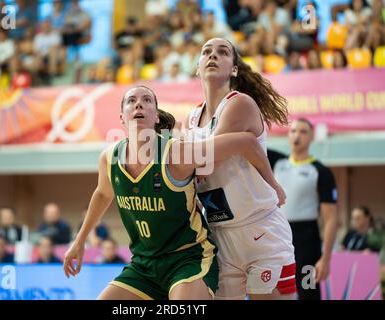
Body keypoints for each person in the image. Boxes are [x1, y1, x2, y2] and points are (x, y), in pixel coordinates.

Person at [64, 85, 281, 300]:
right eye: (131, 100)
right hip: (144, 264)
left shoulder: (176, 153)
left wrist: (274, 186)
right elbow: (103, 194)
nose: (138, 103)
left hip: (188, 258)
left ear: (156, 117)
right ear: (122, 117)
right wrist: (79, 240)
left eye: (147, 100)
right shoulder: (109, 158)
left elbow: (245, 141)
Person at [186, 37, 295, 300]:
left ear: (234, 69)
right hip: (220, 234)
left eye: (222, 52)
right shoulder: (191, 117)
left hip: (260, 229)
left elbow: (203, 162)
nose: (212, 56)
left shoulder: (239, 103)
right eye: (206, 52)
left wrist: (178, 157)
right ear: (197, 66)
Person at [268, 118, 338, 300]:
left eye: (303, 131)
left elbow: (330, 219)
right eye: (293, 131)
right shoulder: (277, 163)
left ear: (312, 136)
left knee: (308, 291)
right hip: (278, 238)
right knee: (275, 292)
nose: (297, 135)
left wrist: (326, 258)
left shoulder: (320, 171)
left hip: (307, 241)